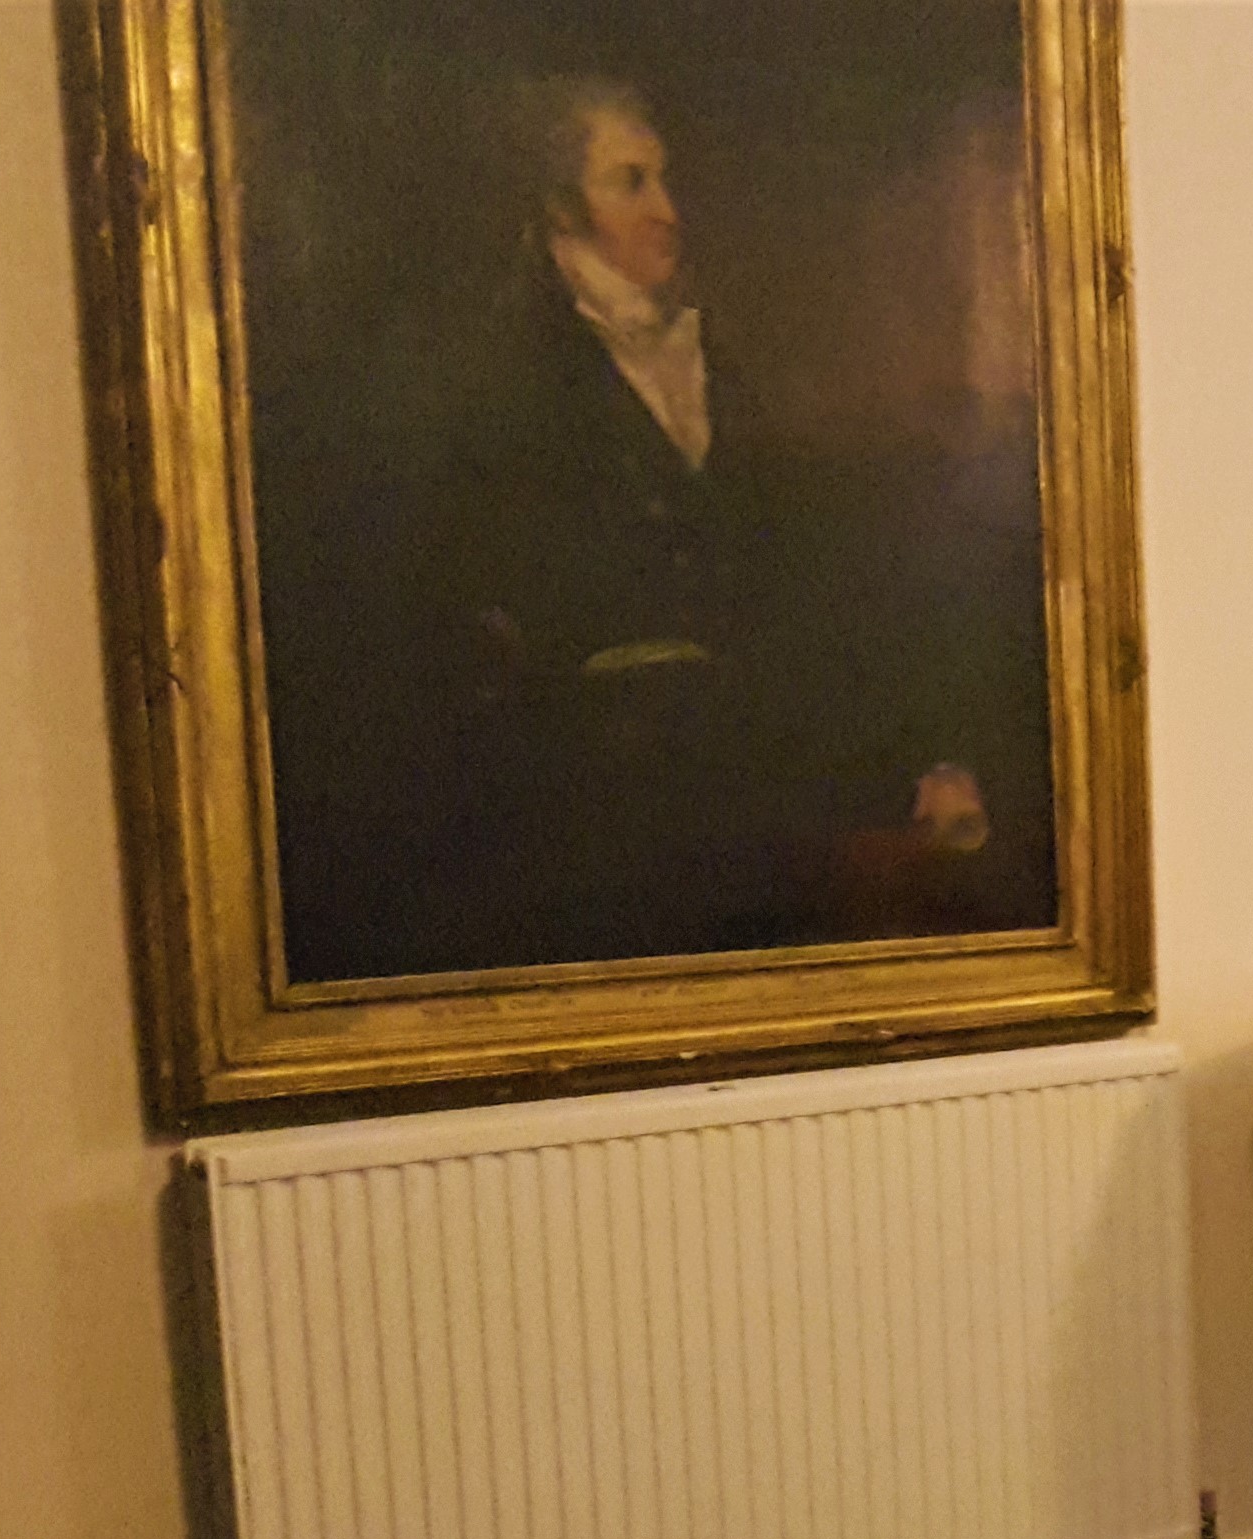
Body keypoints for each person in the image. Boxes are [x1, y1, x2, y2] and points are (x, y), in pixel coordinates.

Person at [313, 71, 1008, 979]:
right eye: (630, 182)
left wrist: (912, 757)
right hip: (589, 812)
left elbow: (795, 579)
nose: (667, 210)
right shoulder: (496, 375)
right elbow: (469, 614)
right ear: (560, 207)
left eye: (664, 178)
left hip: (744, 785)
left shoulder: (707, 360)